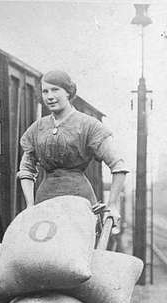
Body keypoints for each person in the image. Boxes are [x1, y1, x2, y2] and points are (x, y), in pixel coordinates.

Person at [18, 70, 128, 226]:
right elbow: (26, 169)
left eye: (55, 90)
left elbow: (118, 166)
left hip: (79, 204)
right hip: (44, 204)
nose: (49, 96)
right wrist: (30, 205)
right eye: (45, 91)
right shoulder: (37, 128)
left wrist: (113, 205)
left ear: (69, 92)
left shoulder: (89, 125)